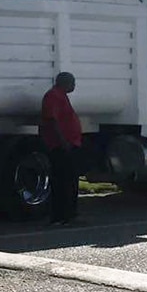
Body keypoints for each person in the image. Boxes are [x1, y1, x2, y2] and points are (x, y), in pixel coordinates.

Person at [41, 72, 82, 225]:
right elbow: (52, 120)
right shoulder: (54, 96)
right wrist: (63, 141)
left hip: (69, 144)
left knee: (70, 180)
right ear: (64, 83)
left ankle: (70, 214)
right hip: (61, 146)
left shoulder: (61, 96)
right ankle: (61, 216)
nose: (74, 86)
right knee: (63, 181)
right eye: (72, 82)